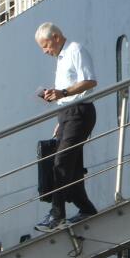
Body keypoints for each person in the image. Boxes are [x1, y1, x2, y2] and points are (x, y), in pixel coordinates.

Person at [34, 22, 99, 232]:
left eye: (45, 45)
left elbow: (89, 81)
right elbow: (66, 92)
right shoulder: (61, 58)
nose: (44, 51)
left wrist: (62, 93)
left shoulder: (75, 51)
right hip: (66, 115)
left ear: (56, 37)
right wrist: (58, 111)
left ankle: (57, 214)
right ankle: (85, 207)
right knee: (71, 166)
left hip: (80, 112)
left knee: (61, 162)